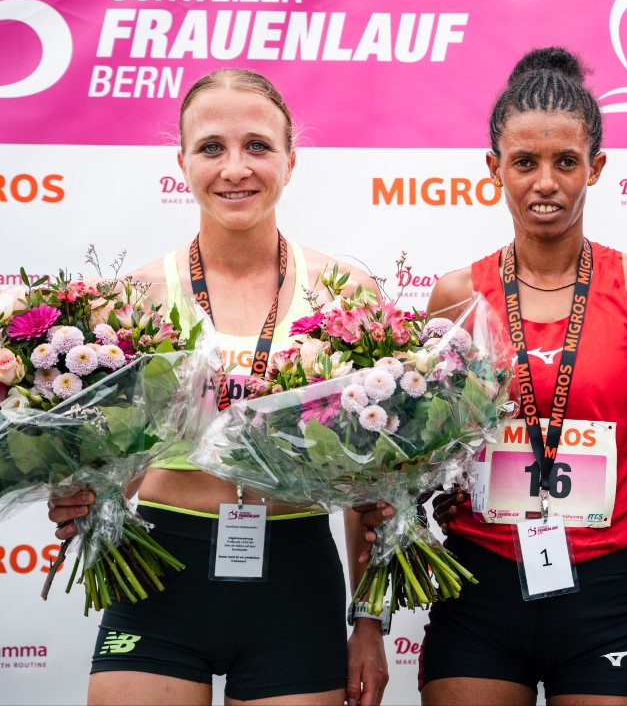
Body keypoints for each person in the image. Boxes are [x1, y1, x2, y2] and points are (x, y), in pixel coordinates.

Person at [363, 46, 627, 706]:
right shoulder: (457, 294)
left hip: (606, 589)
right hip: (480, 585)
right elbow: (423, 459)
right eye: (526, 162)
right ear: (495, 169)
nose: (546, 182)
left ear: (595, 167)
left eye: (566, 162)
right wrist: (428, 496)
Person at [47, 68, 388, 706]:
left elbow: (370, 486)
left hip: (296, 585)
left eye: (257, 145)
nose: (235, 167)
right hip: (158, 577)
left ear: (291, 159)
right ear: (181, 162)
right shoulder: (132, 302)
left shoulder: (347, 296)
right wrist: (81, 496)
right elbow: (110, 461)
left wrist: (369, 624)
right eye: (212, 148)